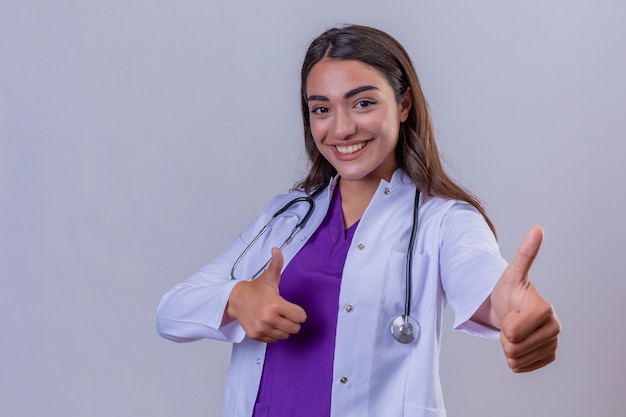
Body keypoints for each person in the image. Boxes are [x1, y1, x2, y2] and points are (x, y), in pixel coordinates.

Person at [157, 24, 560, 417]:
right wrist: (236, 298)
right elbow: (171, 312)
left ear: (404, 105)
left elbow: (480, 277)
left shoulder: (444, 221)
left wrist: (513, 309)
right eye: (321, 109)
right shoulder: (286, 215)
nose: (342, 128)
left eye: (363, 103)